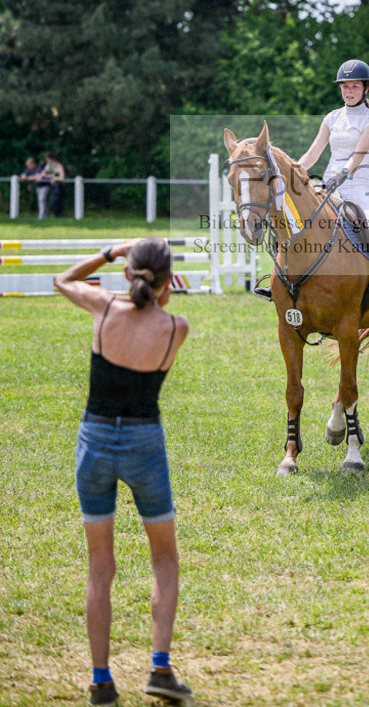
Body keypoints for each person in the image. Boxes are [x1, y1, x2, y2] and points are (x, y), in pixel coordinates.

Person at [54, 239, 192, 706]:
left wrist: (110, 251)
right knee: (165, 559)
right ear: (168, 281)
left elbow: (63, 280)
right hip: (143, 445)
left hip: (94, 442)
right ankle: (159, 667)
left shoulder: (105, 307)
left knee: (100, 568)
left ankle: (100, 681)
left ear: (130, 273)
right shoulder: (176, 327)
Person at [298, 59, 369, 306]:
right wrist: (295, 170)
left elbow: (357, 156)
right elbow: (313, 152)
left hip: (358, 188)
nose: (348, 91)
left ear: (366, 88)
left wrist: (343, 174)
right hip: (327, 184)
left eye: (354, 86)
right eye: (344, 86)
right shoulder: (332, 118)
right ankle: (285, 279)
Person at [44, 152, 66, 217]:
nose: (47, 161)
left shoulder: (59, 166)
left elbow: (62, 177)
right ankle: (57, 216)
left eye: (47, 159)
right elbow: (45, 174)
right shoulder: (50, 166)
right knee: (53, 201)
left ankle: (60, 216)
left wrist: (55, 178)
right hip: (53, 187)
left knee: (56, 201)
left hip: (59, 187)